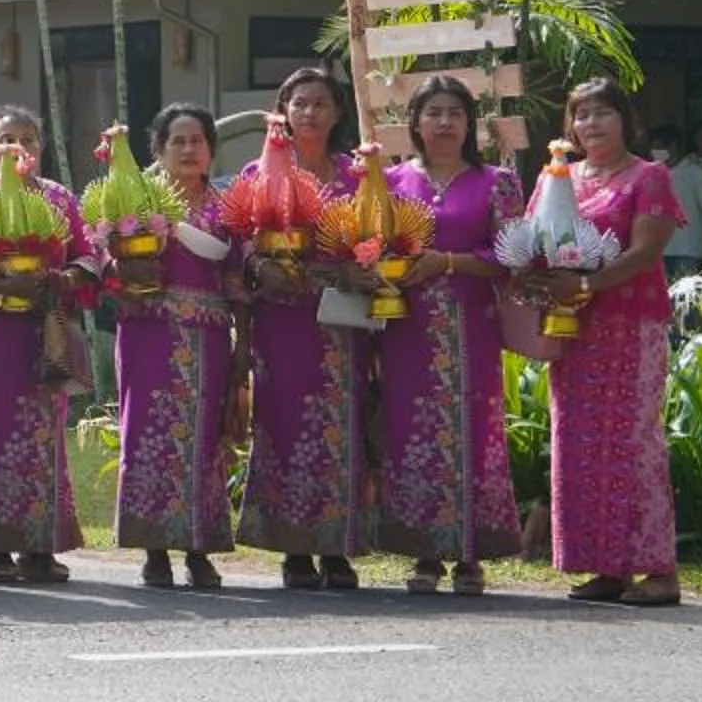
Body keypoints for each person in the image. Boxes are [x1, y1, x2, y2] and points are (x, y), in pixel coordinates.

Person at [379, 76, 524, 596]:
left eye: (455, 113)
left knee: (473, 432)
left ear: (470, 123)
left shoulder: (498, 183)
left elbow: (513, 253)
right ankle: (424, 553)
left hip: (471, 328)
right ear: (414, 122)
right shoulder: (391, 181)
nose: (444, 123)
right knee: (412, 434)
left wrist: (448, 261)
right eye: (433, 112)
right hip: (405, 327)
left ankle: (470, 555)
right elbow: (369, 244)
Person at [544, 78, 684, 608]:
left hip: (630, 328)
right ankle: (607, 567)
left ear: (627, 120)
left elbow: (644, 254)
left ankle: (660, 570)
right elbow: (536, 239)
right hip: (572, 330)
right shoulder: (559, 177)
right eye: (581, 115)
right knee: (577, 446)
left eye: (603, 113)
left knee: (633, 446)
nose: (591, 124)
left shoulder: (649, 177)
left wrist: (582, 285)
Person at [0, 105, 89, 583]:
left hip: (43, 330)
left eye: (28, 139)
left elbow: (88, 256)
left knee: (43, 439)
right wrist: (0, 286)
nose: (18, 148)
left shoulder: (59, 199)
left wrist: (63, 278)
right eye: (7, 139)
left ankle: (40, 544)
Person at [235, 64, 366, 592]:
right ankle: (293, 548)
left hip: (339, 321)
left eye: (320, 103)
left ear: (337, 113)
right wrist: (258, 266)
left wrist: (365, 262)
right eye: (299, 103)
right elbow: (236, 240)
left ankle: (336, 546)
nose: (309, 112)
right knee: (284, 425)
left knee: (340, 425)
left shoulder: (357, 177)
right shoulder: (259, 171)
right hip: (281, 320)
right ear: (283, 112)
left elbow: (377, 233)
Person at [108, 104, 238, 591]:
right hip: (148, 333)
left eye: (197, 141)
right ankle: (154, 549)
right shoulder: (135, 201)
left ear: (209, 150)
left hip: (207, 339)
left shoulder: (227, 207)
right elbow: (106, 257)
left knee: (204, 443)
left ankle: (200, 549)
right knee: (148, 436)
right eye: (177, 141)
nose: (188, 149)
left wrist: (242, 347)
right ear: (158, 151)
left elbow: (237, 278)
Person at [653, 126, 702, 280]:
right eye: (653, 147)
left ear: (673, 147)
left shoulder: (695, 173)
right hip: (658, 252)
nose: (654, 152)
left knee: (685, 302)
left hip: (688, 251)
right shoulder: (651, 175)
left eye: (659, 147)